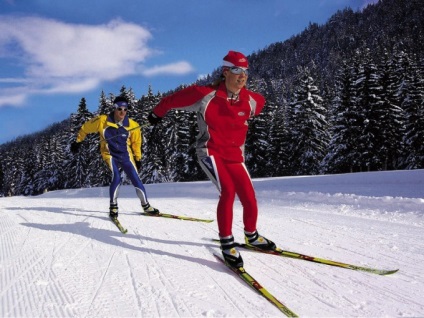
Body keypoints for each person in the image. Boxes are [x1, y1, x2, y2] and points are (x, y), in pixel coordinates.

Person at [147, 51, 276, 267]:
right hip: (210, 152)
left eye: (245, 72)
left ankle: (251, 236)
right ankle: (227, 242)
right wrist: (156, 114)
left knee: (249, 196)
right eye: (236, 71)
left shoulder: (253, 101)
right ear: (225, 72)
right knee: (228, 191)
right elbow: (170, 101)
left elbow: (257, 105)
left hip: (235, 156)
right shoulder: (204, 95)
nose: (242, 76)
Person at [70, 95, 159, 220]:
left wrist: (138, 159)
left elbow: (136, 143)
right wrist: (78, 141)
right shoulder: (102, 121)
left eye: (125, 109)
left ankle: (146, 206)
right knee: (116, 177)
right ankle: (113, 206)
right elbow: (85, 128)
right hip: (109, 154)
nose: (122, 111)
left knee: (135, 178)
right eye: (119, 108)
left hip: (125, 155)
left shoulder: (133, 125)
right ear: (114, 108)